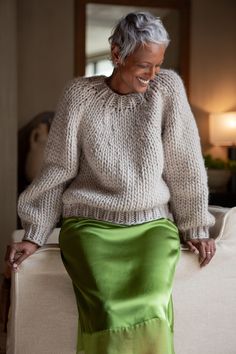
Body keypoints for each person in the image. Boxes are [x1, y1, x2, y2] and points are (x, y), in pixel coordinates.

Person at [7, 12, 216, 354]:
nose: (153, 75)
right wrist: (34, 232)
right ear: (118, 55)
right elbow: (58, 167)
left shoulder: (168, 90)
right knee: (107, 308)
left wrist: (196, 227)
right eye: (144, 65)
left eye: (159, 65)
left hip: (151, 225)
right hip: (89, 225)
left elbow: (186, 163)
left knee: (151, 303)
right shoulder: (79, 95)